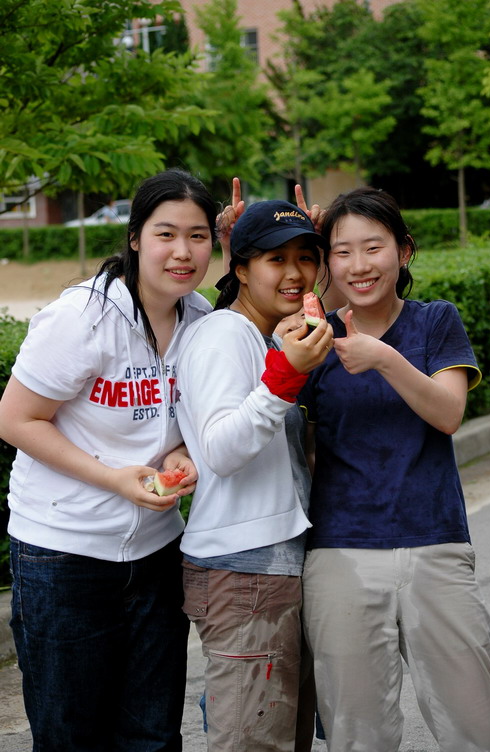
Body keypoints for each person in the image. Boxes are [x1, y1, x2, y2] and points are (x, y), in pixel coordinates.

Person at [0, 168, 220, 752]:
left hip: (157, 553)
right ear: (135, 237)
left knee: (152, 734)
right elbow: (15, 419)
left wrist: (181, 453)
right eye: (165, 234)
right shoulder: (83, 317)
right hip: (62, 555)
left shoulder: (200, 319)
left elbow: (182, 419)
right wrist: (112, 479)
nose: (182, 251)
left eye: (198, 236)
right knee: (71, 736)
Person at [299, 186, 490, 752]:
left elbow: (448, 414)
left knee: (478, 727)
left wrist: (384, 359)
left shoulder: (436, 321)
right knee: (357, 733)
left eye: (373, 247)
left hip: (435, 541)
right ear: (328, 261)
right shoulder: (314, 339)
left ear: (404, 251)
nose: (359, 265)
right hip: (340, 550)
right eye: (342, 251)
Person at [175, 200, 334, 751]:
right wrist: (285, 376)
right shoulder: (224, 334)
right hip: (244, 571)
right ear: (240, 269)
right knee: (252, 741)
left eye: (306, 257)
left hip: (272, 566)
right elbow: (220, 449)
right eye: (275, 259)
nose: (294, 273)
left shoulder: (267, 335)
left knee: (280, 736)